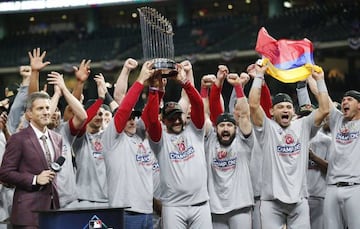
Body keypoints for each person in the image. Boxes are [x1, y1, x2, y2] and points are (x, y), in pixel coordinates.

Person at [248, 61, 329, 229]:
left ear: (293, 111)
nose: (285, 110)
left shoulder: (303, 125)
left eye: (288, 107)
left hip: (299, 200)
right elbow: (254, 105)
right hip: (271, 201)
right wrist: (259, 76)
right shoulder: (267, 128)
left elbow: (325, 110)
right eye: (280, 107)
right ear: (271, 111)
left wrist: (319, 80)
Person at [143, 63, 212, 228]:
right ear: (164, 121)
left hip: (200, 204)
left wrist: (185, 82)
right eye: (170, 118)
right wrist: (154, 90)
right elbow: (152, 120)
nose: (175, 120)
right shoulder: (160, 141)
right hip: (173, 207)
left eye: (178, 116)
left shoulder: (195, 131)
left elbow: (197, 105)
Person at [102, 61, 156, 228]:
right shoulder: (113, 138)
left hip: (147, 211)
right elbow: (123, 109)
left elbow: (151, 115)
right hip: (125, 211)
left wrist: (156, 89)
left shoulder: (141, 138)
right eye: (128, 118)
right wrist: (140, 80)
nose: (131, 121)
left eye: (134, 118)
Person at [0, 92, 63, 228]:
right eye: (40, 109)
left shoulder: (57, 138)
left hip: (53, 211)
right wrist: (34, 179)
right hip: (28, 214)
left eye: (47, 108)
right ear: (29, 114)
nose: (46, 112)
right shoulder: (18, 139)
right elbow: (5, 173)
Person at [204, 68, 254, 228]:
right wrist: (204, 90)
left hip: (241, 207)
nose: (225, 128)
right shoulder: (209, 140)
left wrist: (239, 88)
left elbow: (245, 115)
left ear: (235, 127)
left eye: (229, 125)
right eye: (222, 125)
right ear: (215, 128)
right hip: (215, 208)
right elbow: (203, 114)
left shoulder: (243, 140)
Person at [324, 90, 360, 229]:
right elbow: (322, 95)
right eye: (343, 100)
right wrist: (313, 77)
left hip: (355, 186)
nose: (344, 102)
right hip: (332, 187)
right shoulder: (337, 120)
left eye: (349, 99)